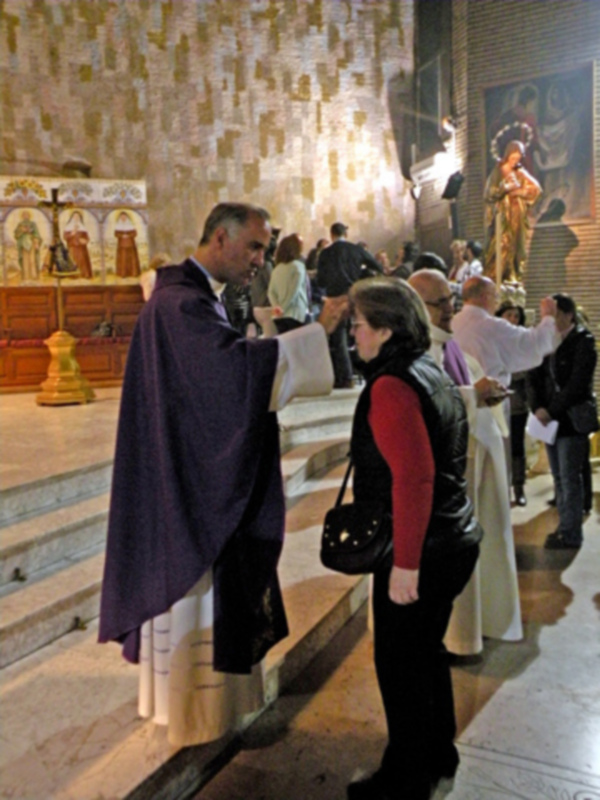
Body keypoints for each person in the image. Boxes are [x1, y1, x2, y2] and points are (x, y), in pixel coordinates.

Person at [98, 202, 346, 748]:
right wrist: (315, 334)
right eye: (254, 246)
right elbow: (231, 375)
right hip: (188, 483)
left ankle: (195, 708)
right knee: (196, 598)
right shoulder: (182, 304)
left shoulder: (186, 297)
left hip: (185, 463)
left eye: (265, 247)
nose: (261, 258)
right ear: (218, 238)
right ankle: (198, 716)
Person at [344, 276, 482, 800]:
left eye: (358, 324)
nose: (353, 333)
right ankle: (438, 752)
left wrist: (405, 564)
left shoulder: (393, 384)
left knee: (400, 664)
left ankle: (405, 780)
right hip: (451, 537)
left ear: (383, 328)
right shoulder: (429, 368)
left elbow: (416, 476)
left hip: (422, 546)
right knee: (425, 654)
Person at [409, 269, 522, 656]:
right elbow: (422, 403)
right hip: (446, 476)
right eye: (439, 302)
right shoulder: (413, 347)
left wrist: (483, 389)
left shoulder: (449, 343)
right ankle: (454, 637)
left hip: (474, 461)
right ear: (416, 305)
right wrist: (473, 394)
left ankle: (477, 626)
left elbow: (459, 385)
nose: (449, 308)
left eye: (451, 299)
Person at [527, 293, 597, 550]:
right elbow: (533, 374)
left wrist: (551, 410)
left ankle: (571, 533)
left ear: (568, 315)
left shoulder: (583, 342)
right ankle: (564, 527)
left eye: (554, 314)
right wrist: (537, 408)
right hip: (547, 419)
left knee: (570, 477)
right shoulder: (546, 340)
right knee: (557, 477)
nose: (549, 320)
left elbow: (578, 384)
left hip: (569, 418)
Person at [452, 276, 559, 391]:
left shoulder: (451, 323)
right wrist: (548, 317)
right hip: (487, 399)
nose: (496, 302)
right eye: (495, 296)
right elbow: (534, 344)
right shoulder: (492, 326)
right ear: (485, 297)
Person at [317, 221, 382, 388]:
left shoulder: (326, 253)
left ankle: (345, 376)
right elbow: (377, 266)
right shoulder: (356, 249)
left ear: (331, 235)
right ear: (345, 235)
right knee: (361, 333)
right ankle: (366, 372)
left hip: (335, 300)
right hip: (355, 296)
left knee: (339, 339)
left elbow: (320, 280)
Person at [483, 139, 542, 282]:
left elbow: (536, 189)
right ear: (507, 155)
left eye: (518, 158)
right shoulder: (498, 171)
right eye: (513, 157)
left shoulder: (520, 172)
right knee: (502, 243)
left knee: (516, 245)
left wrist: (521, 192)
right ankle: (496, 276)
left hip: (517, 214)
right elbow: (489, 193)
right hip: (502, 215)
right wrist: (504, 188)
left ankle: (512, 274)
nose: (515, 161)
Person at [496, 302, 530, 505]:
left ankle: (519, 487)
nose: (513, 320)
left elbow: (526, 368)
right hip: (494, 401)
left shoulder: (522, 340)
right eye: (509, 315)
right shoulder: (492, 337)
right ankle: (502, 489)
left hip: (517, 402)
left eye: (516, 316)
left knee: (517, 446)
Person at [268, 232, 310, 333]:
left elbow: (270, 292)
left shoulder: (277, 269)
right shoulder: (298, 266)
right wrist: (283, 307)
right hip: (296, 314)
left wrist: (277, 307)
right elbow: (294, 291)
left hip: (280, 317)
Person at [14, 209, 42, 281]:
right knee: (25, 260)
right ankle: (26, 277)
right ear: (22, 216)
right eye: (24, 215)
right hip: (23, 244)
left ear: (29, 216)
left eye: (27, 215)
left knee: (32, 260)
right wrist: (22, 231)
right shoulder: (20, 225)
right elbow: (16, 235)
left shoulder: (33, 224)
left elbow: (37, 234)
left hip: (32, 243)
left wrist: (36, 242)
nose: (26, 216)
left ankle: (33, 276)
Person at [63, 211, 93, 279]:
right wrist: (71, 234)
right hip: (72, 247)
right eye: (75, 216)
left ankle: (84, 275)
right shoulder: (68, 227)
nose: (76, 218)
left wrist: (85, 241)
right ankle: (73, 276)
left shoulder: (82, 227)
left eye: (78, 216)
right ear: (72, 217)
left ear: (80, 218)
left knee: (82, 261)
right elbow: (65, 237)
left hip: (82, 248)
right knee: (73, 260)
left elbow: (87, 237)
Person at [114, 210, 141, 278]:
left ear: (127, 217)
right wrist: (122, 235)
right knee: (123, 259)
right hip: (122, 245)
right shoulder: (118, 225)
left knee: (132, 259)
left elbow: (135, 233)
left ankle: (133, 273)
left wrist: (128, 235)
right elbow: (116, 234)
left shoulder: (130, 225)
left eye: (124, 216)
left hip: (131, 245)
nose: (123, 218)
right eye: (122, 217)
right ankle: (123, 274)